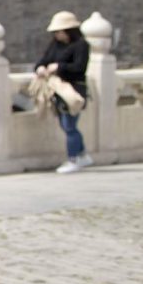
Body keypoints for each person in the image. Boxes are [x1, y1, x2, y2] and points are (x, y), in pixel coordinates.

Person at [37, 10, 93, 173]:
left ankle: (73, 159)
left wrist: (60, 67)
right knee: (65, 124)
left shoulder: (81, 45)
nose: (56, 35)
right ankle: (82, 154)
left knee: (69, 125)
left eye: (59, 31)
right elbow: (44, 59)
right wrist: (40, 67)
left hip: (74, 89)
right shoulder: (55, 45)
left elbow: (79, 67)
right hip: (57, 89)